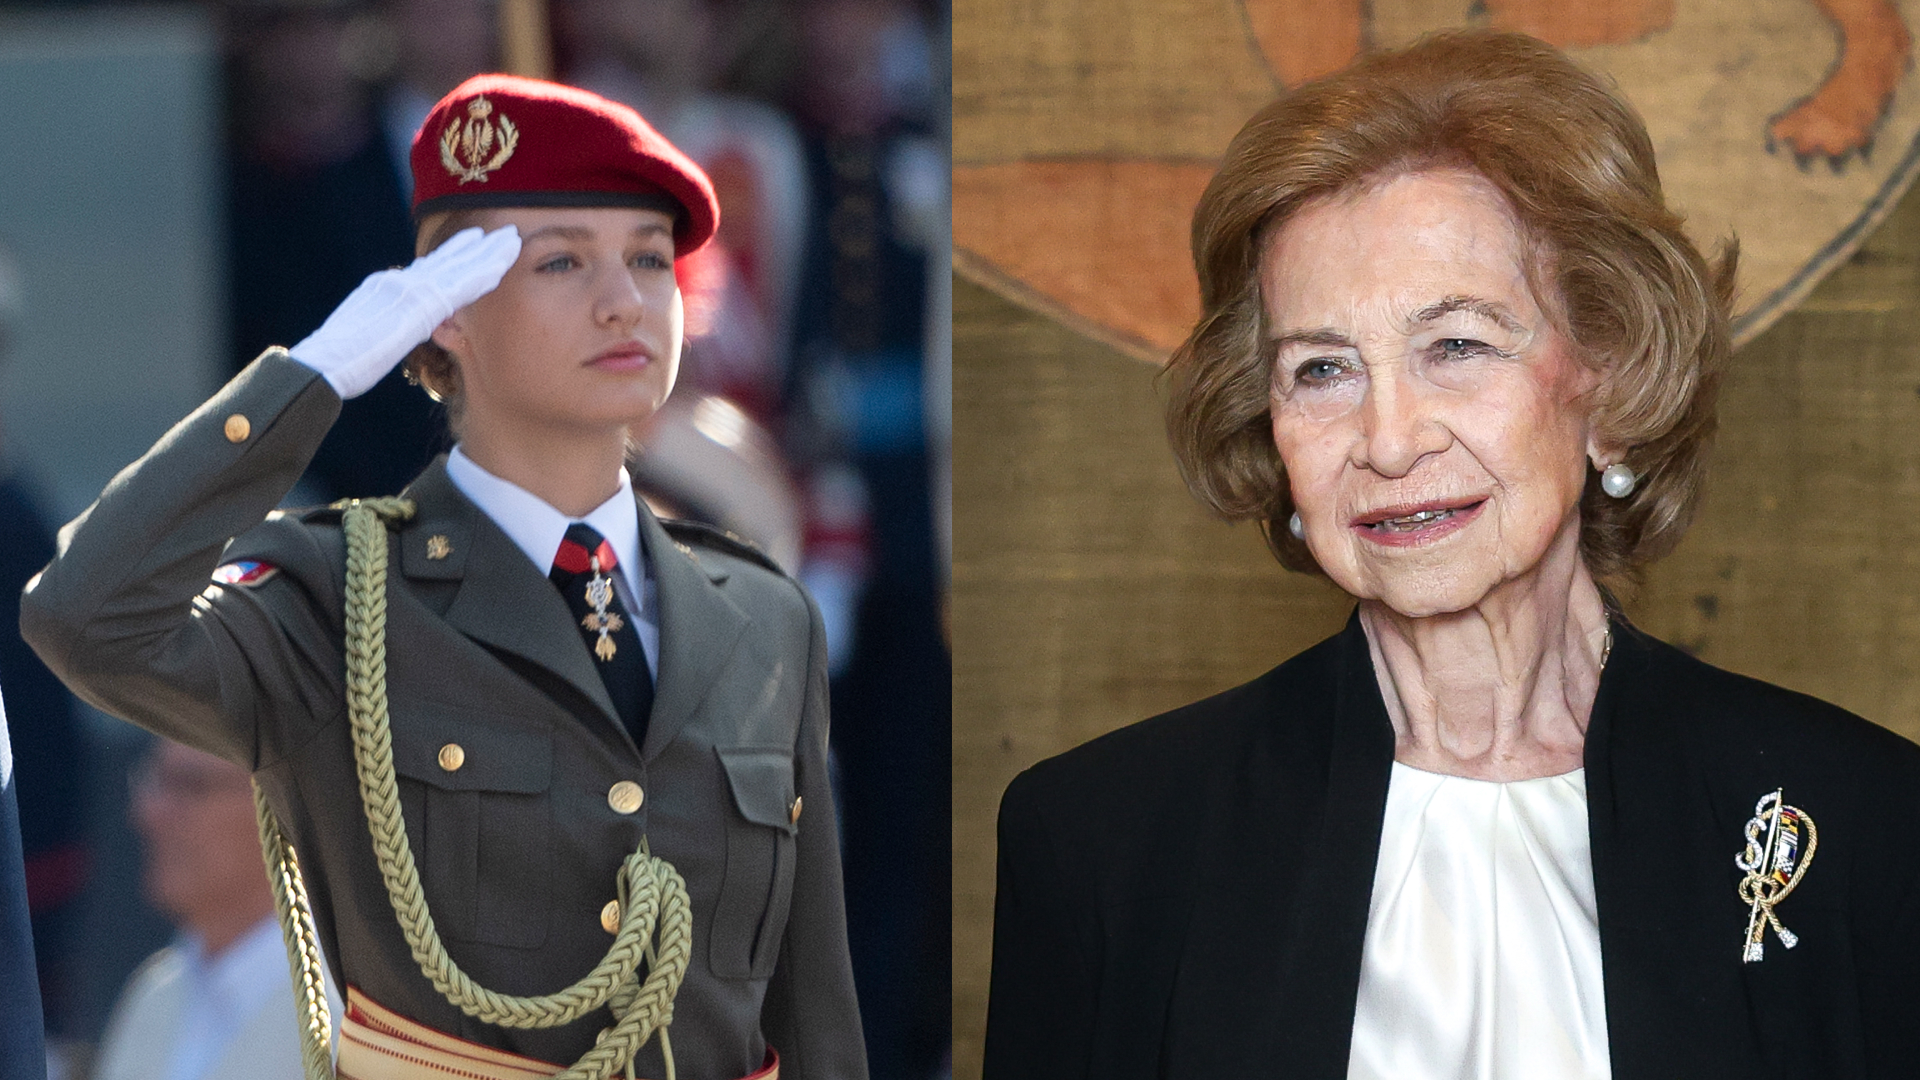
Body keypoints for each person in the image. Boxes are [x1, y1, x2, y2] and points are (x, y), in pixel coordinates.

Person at [982, 30, 1920, 1079]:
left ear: (1610, 380)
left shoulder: (1867, 824)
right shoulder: (1104, 844)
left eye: (1458, 347)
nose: (1388, 440)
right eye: (1323, 370)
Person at [23, 74, 864, 1079]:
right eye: (562, 262)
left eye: (648, 258)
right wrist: (313, 378)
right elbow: (85, 619)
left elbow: (813, 1014)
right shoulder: (337, 596)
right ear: (448, 313)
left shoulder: (763, 616)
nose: (623, 301)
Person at [92, 740, 330, 1080]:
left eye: (189, 785)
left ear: (285, 809)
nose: (148, 812)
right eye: (155, 781)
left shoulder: (357, 1022)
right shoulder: (153, 994)